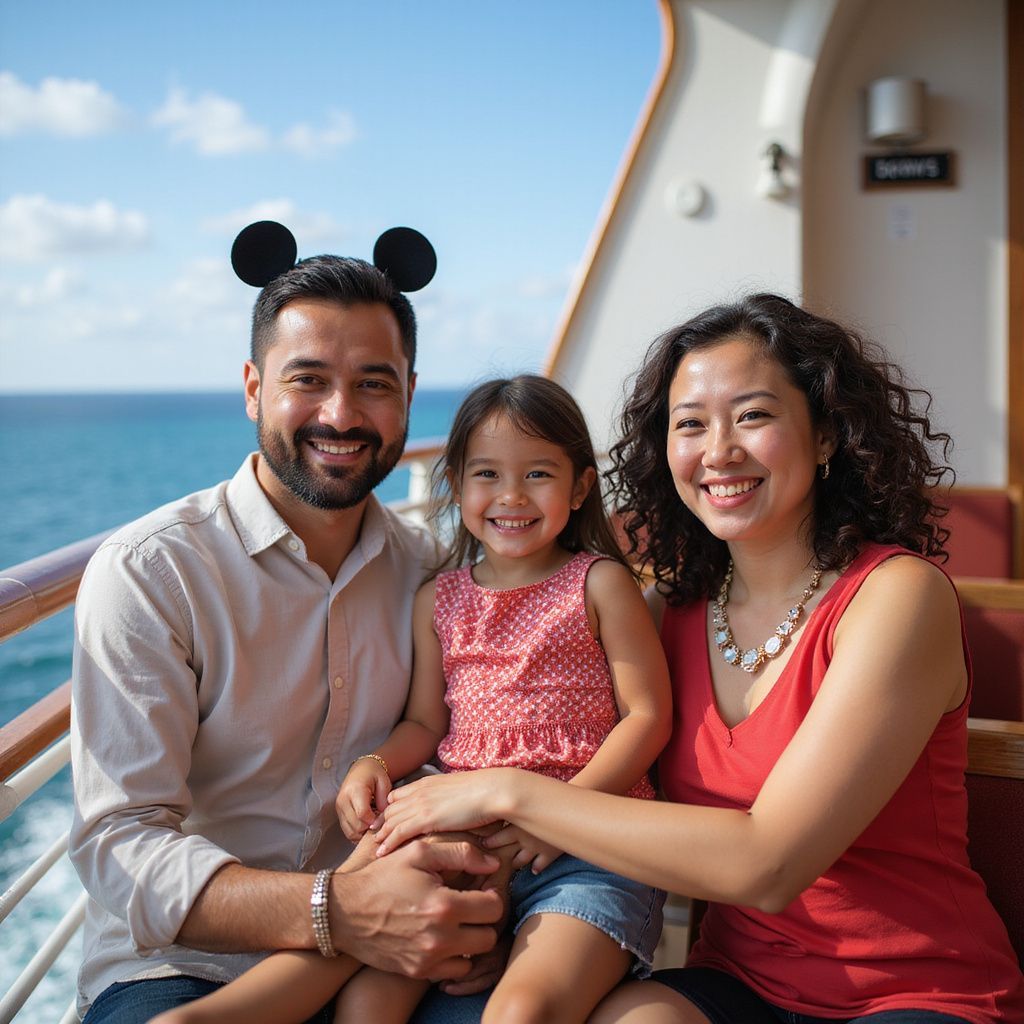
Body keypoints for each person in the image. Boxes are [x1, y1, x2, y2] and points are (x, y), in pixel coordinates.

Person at [376, 295, 1024, 1024]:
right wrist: (508, 923)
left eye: (752, 416)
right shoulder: (670, 611)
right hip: (735, 984)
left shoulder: (897, 598)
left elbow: (767, 865)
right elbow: (608, 805)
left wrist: (507, 793)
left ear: (825, 436)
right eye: (690, 424)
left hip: (915, 992)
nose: (718, 450)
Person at [149, 374, 671, 1024]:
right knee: (367, 1002)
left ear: (581, 487)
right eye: (486, 475)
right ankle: (218, 1016)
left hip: (589, 849)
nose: (510, 496)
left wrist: (562, 814)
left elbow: (647, 717)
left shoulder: (598, 585)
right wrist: (375, 763)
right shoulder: (440, 598)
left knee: (521, 1011)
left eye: (538, 474)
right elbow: (426, 722)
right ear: (455, 483)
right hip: (467, 843)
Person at [68, 252, 506, 1024]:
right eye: (308, 380)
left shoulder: (435, 575)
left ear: (407, 398)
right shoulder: (152, 572)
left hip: (390, 948)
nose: (340, 414)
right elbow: (120, 843)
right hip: (188, 964)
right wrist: (333, 908)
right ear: (253, 390)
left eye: (373, 383)